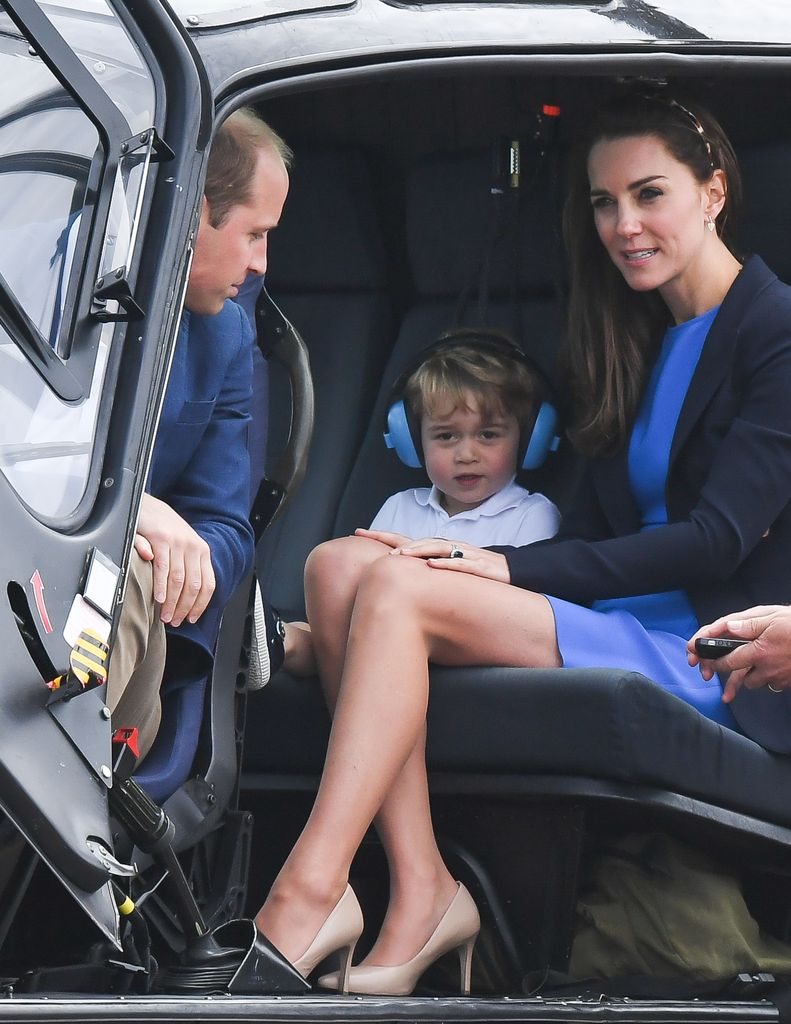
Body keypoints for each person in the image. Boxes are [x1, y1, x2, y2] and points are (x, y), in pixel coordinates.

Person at [252, 91, 791, 995]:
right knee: (338, 564)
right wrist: (459, 559)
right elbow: (597, 528)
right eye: (603, 203)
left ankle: (308, 888)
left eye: (648, 194)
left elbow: (712, 542)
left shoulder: (774, 330)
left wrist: (499, 566)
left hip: (710, 648)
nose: (623, 225)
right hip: (614, 614)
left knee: (396, 590)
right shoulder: (633, 335)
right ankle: (421, 886)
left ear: (712, 191)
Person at [107, 107, 291, 760]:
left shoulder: (226, 335)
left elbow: (226, 526)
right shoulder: (49, 289)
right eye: (254, 234)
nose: (262, 263)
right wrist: (129, 509)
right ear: (193, 212)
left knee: (132, 572)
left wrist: (182, 558)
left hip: (132, 614)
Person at [279, 330, 561, 678]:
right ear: (412, 441)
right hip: (385, 649)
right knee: (319, 612)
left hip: (470, 653)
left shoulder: (533, 514)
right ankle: (280, 642)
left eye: (488, 434)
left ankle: (295, 649)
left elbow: (523, 615)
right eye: (446, 436)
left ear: (529, 439)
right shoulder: (400, 507)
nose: (466, 454)